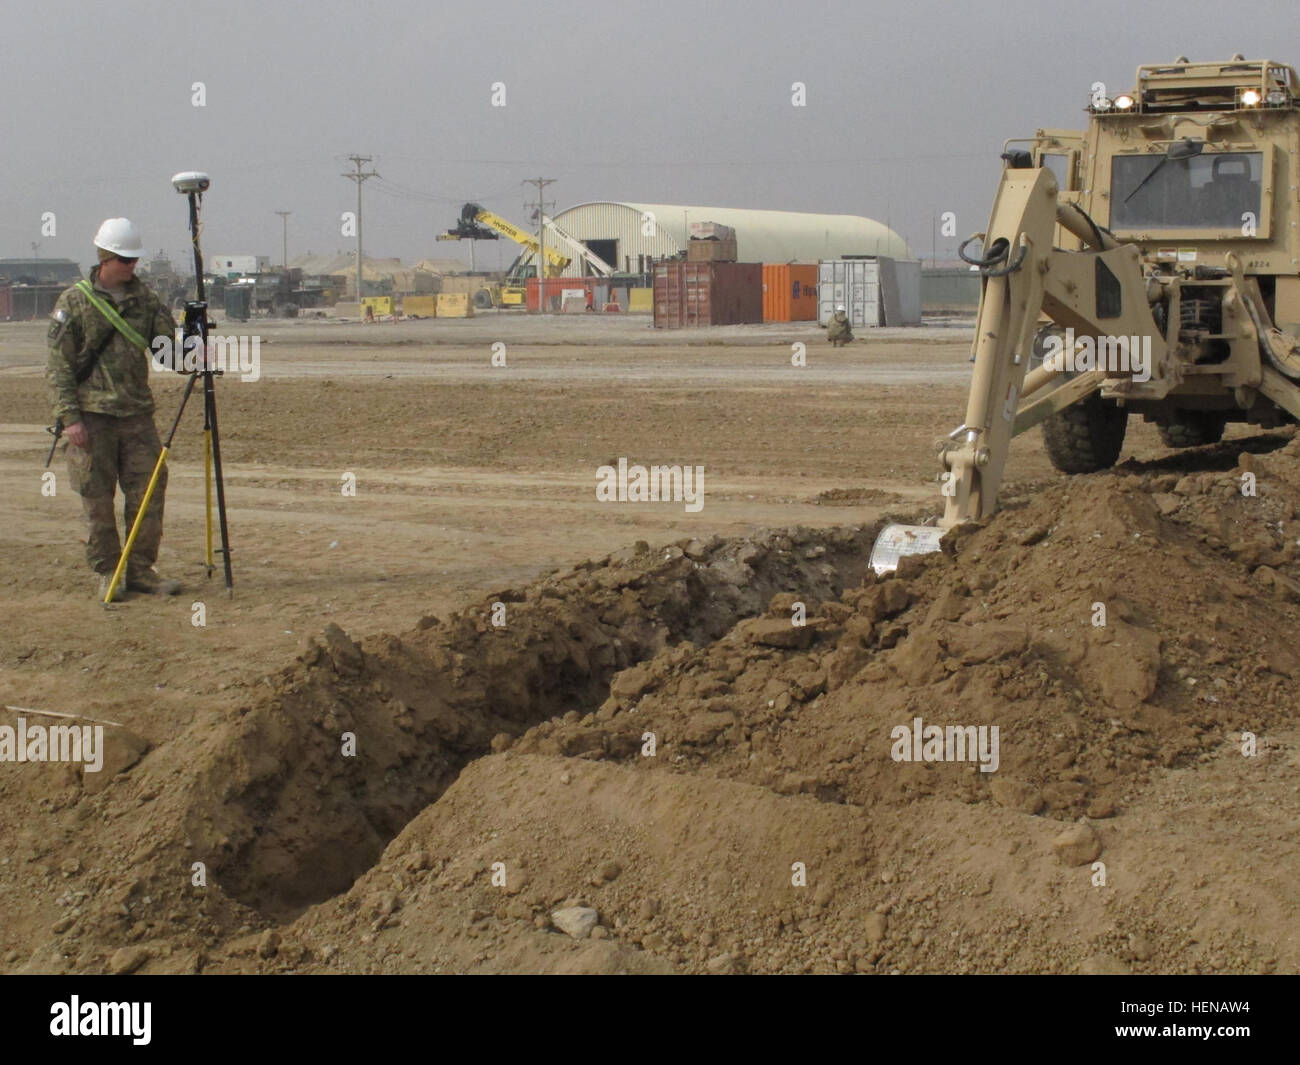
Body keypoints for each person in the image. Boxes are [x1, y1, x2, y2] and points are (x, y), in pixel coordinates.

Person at [47, 218, 182, 601]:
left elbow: (166, 352)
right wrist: (70, 417)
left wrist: (193, 348)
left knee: (149, 494)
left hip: (137, 416)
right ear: (105, 258)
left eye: (134, 260)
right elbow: (58, 364)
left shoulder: (147, 301)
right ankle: (110, 571)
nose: (131, 266)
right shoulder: (75, 301)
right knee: (97, 499)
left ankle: (141, 570)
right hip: (92, 418)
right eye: (124, 259)